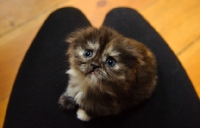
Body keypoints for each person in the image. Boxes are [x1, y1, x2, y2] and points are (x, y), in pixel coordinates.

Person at [4, 7, 200, 128]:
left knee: (63, 15)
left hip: (111, 97)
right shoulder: (81, 70)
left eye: (110, 62)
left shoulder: (107, 97)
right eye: (88, 53)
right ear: (73, 48)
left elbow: (111, 110)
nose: (95, 63)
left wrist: (88, 111)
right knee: (123, 14)